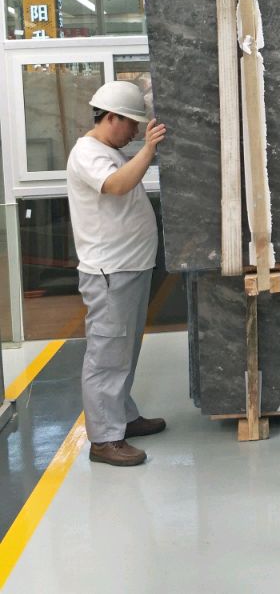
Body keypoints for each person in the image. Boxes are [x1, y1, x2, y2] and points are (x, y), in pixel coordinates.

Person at [66, 80, 167, 467]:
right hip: (110, 272)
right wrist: (149, 149)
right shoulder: (87, 152)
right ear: (111, 118)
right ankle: (104, 439)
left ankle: (122, 415)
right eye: (132, 124)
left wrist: (143, 151)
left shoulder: (110, 150)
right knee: (107, 354)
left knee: (124, 350)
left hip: (130, 267)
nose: (136, 132)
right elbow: (117, 186)